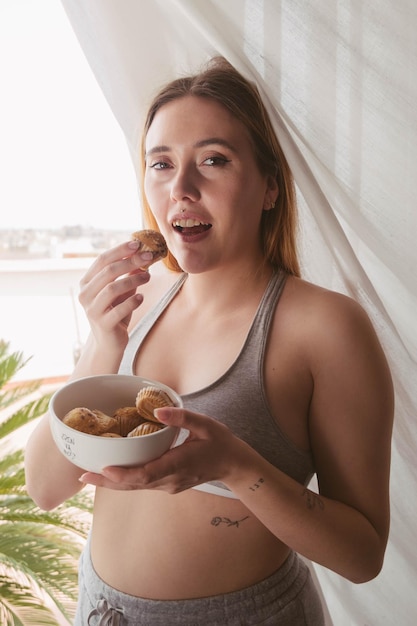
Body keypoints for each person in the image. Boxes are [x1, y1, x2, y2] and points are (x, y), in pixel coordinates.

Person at [25, 57, 394, 625]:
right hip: (98, 609)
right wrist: (103, 345)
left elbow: (363, 555)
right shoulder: (137, 301)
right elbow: (46, 487)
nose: (181, 188)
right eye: (161, 164)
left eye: (214, 160)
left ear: (270, 186)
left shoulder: (325, 328)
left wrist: (233, 465)